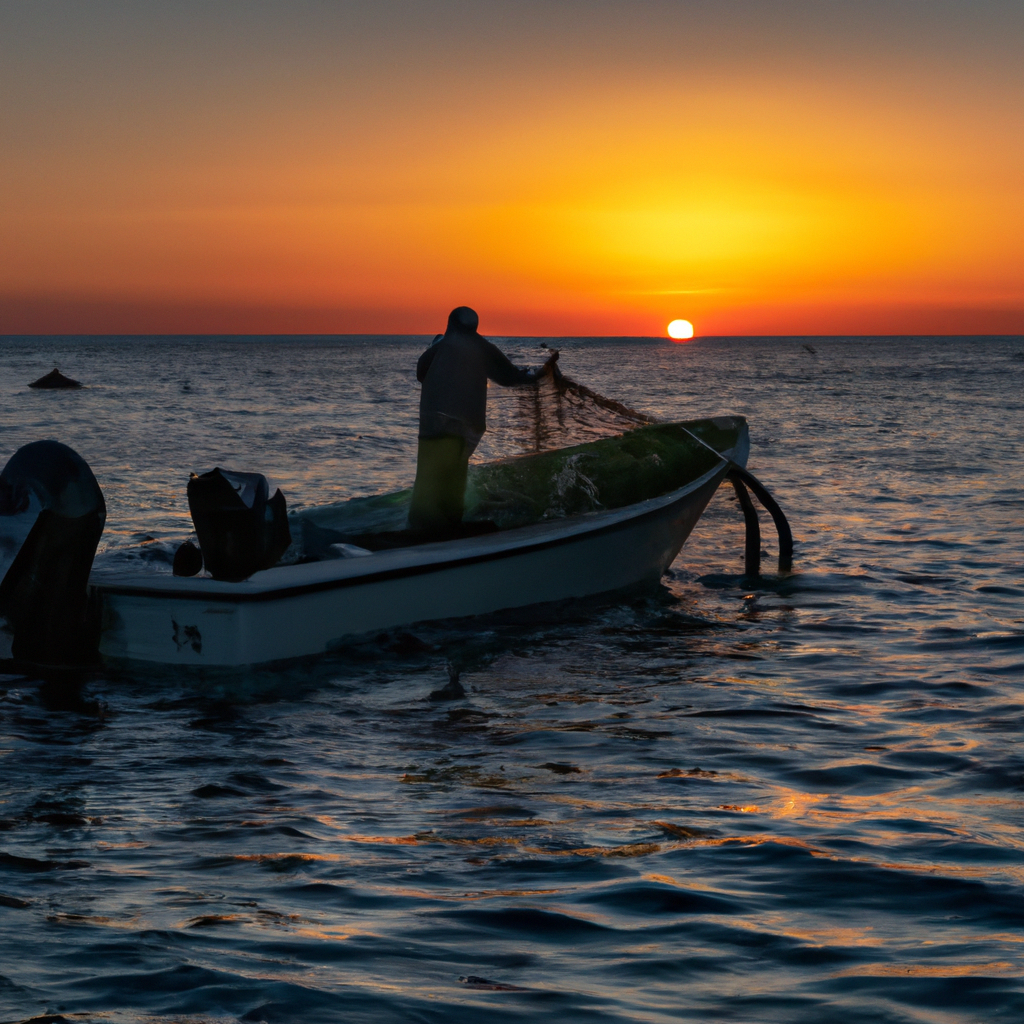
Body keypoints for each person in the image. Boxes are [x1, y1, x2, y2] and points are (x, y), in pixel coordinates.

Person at [408, 306, 557, 532]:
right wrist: (541, 373)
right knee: (455, 474)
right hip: (468, 426)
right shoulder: (482, 347)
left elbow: (421, 372)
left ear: (450, 324)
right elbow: (510, 376)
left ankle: (424, 530)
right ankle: (450, 523)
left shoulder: (441, 345)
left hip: (436, 424)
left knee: (431, 481)